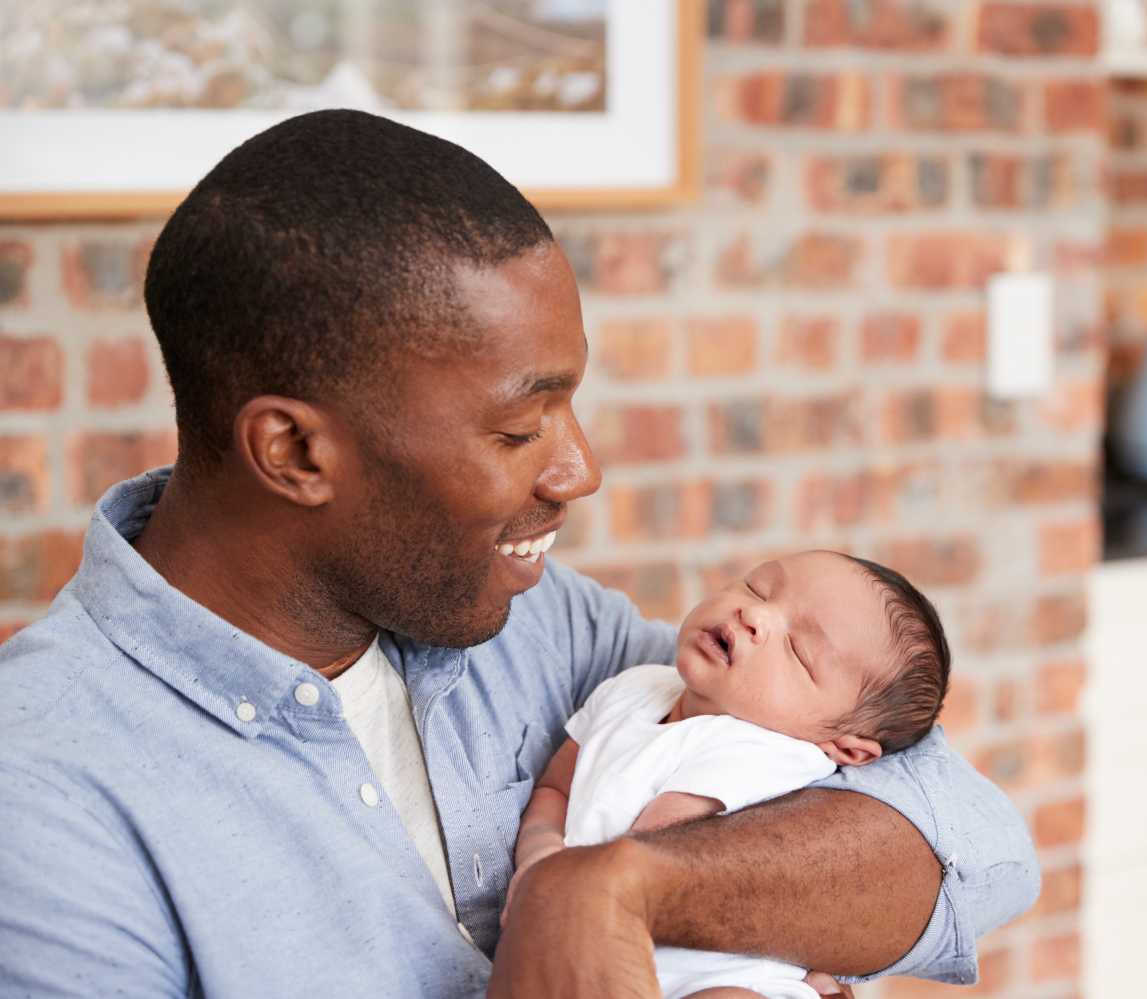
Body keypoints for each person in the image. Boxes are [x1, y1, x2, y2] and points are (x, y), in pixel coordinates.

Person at [0, 109, 1039, 999]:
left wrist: (619, 886)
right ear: (296, 451)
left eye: (570, 408)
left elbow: (969, 842)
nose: (578, 471)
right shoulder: (43, 791)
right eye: (517, 431)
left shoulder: (546, 626)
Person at [507, 551, 951, 999]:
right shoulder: (632, 688)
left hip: (726, 975)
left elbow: (656, 851)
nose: (754, 614)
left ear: (844, 747)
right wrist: (540, 851)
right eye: (756, 587)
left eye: (799, 650)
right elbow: (554, 788)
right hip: (594, 945)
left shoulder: (777, 754)